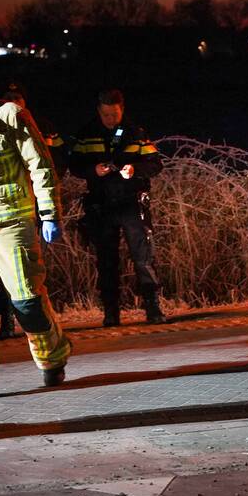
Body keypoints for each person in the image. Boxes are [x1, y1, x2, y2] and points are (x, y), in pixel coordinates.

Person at [0, 96, 71, 396]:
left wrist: (50, 213)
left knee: (27, 301)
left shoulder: (10, 114)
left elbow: (41, 164)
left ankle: (52, 359)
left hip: (11, 221)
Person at [70, 89, 165, 327]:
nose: (110, 119)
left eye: (114, 114)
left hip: (131, 202)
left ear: (122, 109)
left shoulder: (136, 133)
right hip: (101, 205)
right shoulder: (87, 133)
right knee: (106, 261)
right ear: (98, 111)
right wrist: (94, 171)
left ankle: (153, 307)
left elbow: (155, 164)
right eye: (106, 115)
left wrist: (134, 170)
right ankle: (111, 313)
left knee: (143, 257)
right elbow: (74, 165)